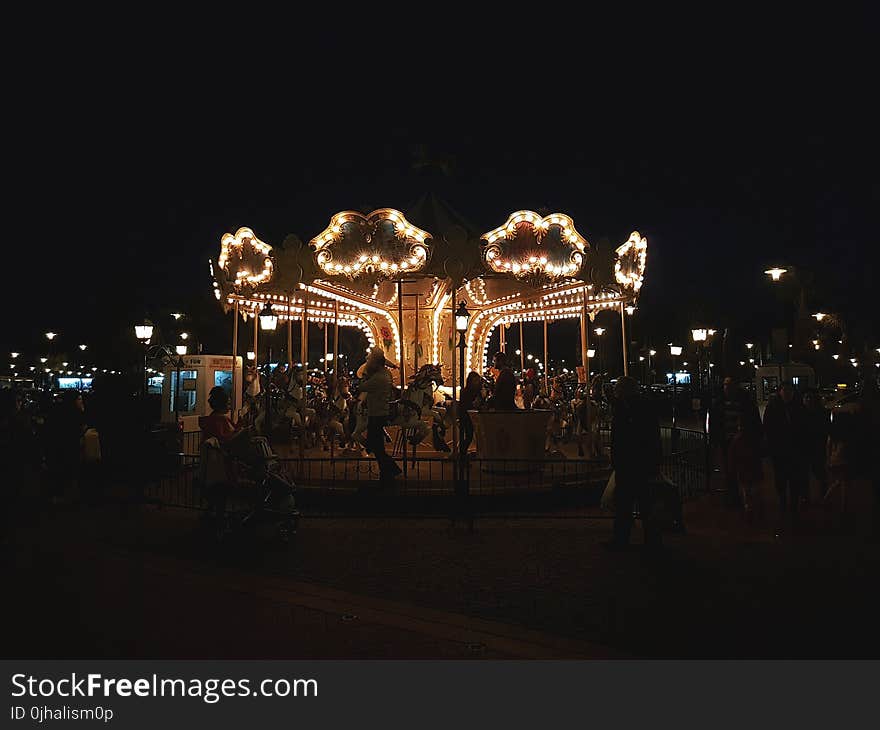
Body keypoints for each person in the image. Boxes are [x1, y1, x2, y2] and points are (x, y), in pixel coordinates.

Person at [606, 376, 662, 551]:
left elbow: (625, 436)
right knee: (641, 504)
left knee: (628, 503)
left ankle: (624, 539)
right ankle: (649, 540)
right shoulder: (636, 406)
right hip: (638, 462)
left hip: (631, 461)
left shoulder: (628, 408)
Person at [763, 382, 808, 526]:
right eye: (785, 390)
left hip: (794, 450)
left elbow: (803, 428)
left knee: (794, 479)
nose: (788, 393)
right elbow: (768, 428)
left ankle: (793, 505)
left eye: (790, 391)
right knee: (781, 478)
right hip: (780, 450)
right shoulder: (773, 407)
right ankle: (783, 502)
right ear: (780, 391)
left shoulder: (798, 406)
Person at [709, 377, 759, 509]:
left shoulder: (744, 402)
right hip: (727, 441)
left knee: (744, 470)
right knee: (729, 470)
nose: (727, 388)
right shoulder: (719, 403)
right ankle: (734, 497)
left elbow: (754, 421)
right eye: (725, 385)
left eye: (729, 385)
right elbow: (714, 423)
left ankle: (745, 497)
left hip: (742, 440)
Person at [357, 348, 401, 484]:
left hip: (376, 413)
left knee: (375, 446)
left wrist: (364, 375)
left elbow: (362, 387)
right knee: (377, 446)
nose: (368, 362)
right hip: (378, 411)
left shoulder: (378, 377)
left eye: (370, 360)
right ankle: (387, 473)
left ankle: (391, 470)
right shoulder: (385, 373)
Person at [728, 410, 764, 524]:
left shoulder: (737, 440)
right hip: (752, 468)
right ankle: (753, 510)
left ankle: (749, 509)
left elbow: (733, 456)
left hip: (744, 469)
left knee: (747, 491)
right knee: (753, 491)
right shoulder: (753, 439)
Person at [802, 389, 829, 504]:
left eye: (810, 398)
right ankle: (807, 496)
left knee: (819, 472)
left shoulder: (821, 413)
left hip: (816, 447)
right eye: (806, 397)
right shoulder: (801, 413)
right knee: (806, 474)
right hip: (808, 448)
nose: (808, 400)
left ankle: (823, 495)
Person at [458, 371, 483, 454]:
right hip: (467, 416)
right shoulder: (466, 392)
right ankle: (462, 453)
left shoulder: (478, 392)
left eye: (477, 380)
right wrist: (473, 404)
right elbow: (465, 405)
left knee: (473, 436)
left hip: (475, 415)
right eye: (475, 380)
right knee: (469, 436)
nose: (477, 382)